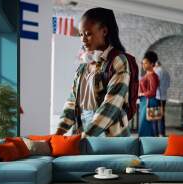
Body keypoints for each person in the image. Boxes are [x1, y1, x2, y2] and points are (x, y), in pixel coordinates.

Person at [55, 7, 131, 137]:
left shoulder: (118, 61)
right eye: (81, 34)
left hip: (109, 134)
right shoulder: (84, 66)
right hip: (84, 127)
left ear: (104, 31)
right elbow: (72, 101)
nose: (83, 39)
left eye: (88, 34)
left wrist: (86, 136)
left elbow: (110, 106)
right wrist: (58, 133)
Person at [138, 51, 160, 137]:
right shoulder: (148, 74)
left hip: (148, 101)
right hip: (145, 101)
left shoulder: (152, 76)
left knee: (146, 125)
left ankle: (146, 145)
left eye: (146, 63)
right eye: (143, 63)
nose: (143, 65)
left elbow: (152, 92)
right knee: (144, 125)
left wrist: (141, 94)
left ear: (152, 64)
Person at [154, 61, 170, 137]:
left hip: (157, 96)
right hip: (164, 96)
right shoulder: (166, 72)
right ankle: (162, 133)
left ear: (156, 65)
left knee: (156, 116)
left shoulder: (156, 72)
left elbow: (154, 84)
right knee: (162, 116)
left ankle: (156, 133)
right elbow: (168, 85)